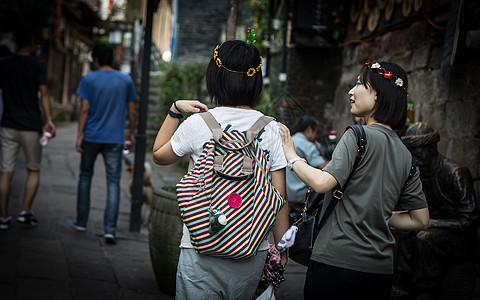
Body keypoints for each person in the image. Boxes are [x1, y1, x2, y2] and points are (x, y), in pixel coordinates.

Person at [278, 61, 430, 299]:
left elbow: (321, 182)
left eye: (359, 84)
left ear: (378, 95)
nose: (351, 91)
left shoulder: (358, 136)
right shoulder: (405, 154)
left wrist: (291, 155)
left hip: (336, 263)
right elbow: (420, 219)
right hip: (379, 271)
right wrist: (375, 213)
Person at [152, 40, 290, 299]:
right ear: (255, 80)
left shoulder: (197, 124)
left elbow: (159, 155)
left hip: (199, 245)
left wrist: (174, 109)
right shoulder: (272, 129)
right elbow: (279, 199)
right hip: (252, 247)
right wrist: (281, 249)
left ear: (215, 77)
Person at [396, 122, 480, 294]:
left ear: (432, 149)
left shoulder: (455, 174)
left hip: (458, 237)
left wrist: (433, 223)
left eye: (419, 155)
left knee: (424, 238)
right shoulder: (419, 173)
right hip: (429, 226)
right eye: (413, 156)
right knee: (399, 230)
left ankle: (426, 287)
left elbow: (471, 220)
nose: (416, 160)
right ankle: (403, 283)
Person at [72, 44, 137, 244]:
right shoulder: (125, 80)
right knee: (113, 182)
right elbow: (132, 111)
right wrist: (132, 132)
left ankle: (81, 221)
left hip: (91, 136)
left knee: (85, 177)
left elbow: (84, 110)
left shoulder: (89, 79)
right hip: (115, 139)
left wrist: (79, 135)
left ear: (96, 59)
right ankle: (110, 229)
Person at [0, 32, 55, 231]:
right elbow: (44, 93)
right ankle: (24, 212)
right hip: (31, 126)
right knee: (33, 169)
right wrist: (48, 119)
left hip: (8, 124)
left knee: (5, 172)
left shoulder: (4, 64)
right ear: (30, 43)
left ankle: (3, 217)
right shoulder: (38, 65)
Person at [286, 115, 328, 212]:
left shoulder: (288, 142)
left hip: (286, 193)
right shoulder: (306, 145)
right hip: (301, 195)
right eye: (316, 131)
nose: (316, 136)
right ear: (309, 129)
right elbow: (322, 165)